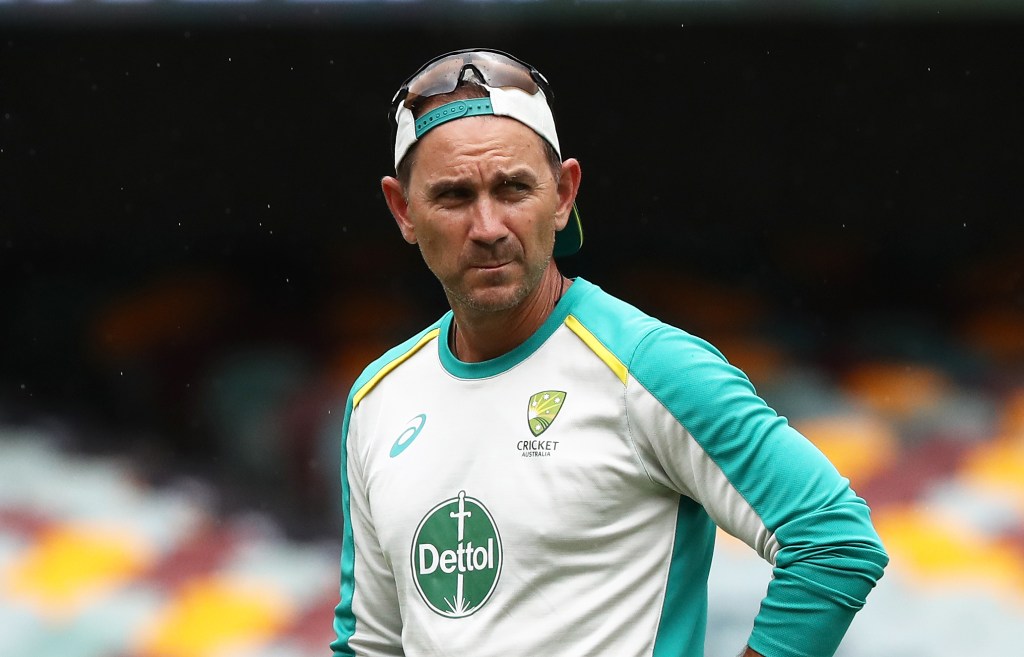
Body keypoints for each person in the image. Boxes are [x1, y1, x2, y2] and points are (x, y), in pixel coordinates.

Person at [331, 48, 888, 657]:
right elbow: (369, 644)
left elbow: (834, 540)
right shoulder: (377, 399)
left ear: (564, 194)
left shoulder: (654, 369)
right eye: (454, 196)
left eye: (513, 188)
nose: (487, 226)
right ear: (404, 210)